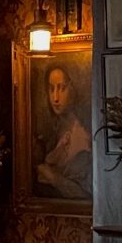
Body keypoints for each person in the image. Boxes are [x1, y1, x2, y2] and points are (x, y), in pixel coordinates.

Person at [35, 62, 91, 199]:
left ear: (74, 88)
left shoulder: (83, 135)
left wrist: (53, 178)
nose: (55, 98)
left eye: (62, 88)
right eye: (51, 88)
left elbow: (87, 194)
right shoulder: (52, 131)